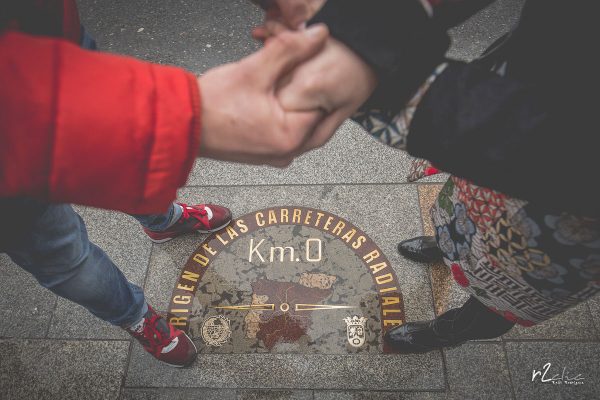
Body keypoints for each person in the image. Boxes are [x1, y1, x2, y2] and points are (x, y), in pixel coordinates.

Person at [255, 0, 600, 353]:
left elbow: (568, 150)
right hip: (524, 93)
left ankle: (451, 330)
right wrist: (375, 22)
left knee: (513, 291)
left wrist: (369, 75)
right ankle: (449, 244)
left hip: (574, 218)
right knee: (466, 211)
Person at [1, 0, 332, 367]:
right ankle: (135, 317)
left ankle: (163, 221)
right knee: (65, 257)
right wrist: (190, 118)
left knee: (119, 162)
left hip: (56, 34)